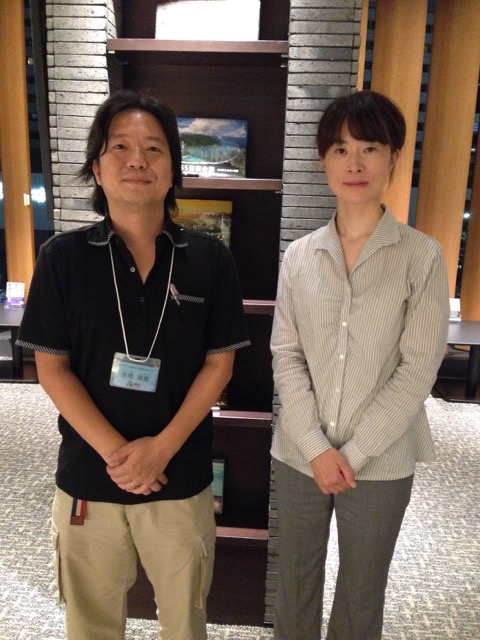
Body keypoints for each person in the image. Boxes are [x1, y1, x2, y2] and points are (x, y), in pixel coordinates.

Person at [17, 89, 250, 640]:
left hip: (179, 476)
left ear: (173, 169)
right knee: (91, 625)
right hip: (89, 477)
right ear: (97, 167)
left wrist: (159, 451)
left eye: (154, 148)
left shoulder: (210, 260)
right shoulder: (62, 258)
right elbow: (52, 369)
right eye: (119, 146)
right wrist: (119, 457)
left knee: (185, 623)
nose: (137, 160)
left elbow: (219, 366)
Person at [270, 90, 450, 640]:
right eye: (341, 149)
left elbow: (418, 369)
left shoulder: (421, 255)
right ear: (324, 161)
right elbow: (286, 354)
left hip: (382, 458)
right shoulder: (300, 255)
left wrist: (350, 454)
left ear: (393, 157)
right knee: (294, 584)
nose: (355, 163)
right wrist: (316, 447)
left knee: (362, 592)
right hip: (300, 454)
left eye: (370, 148)